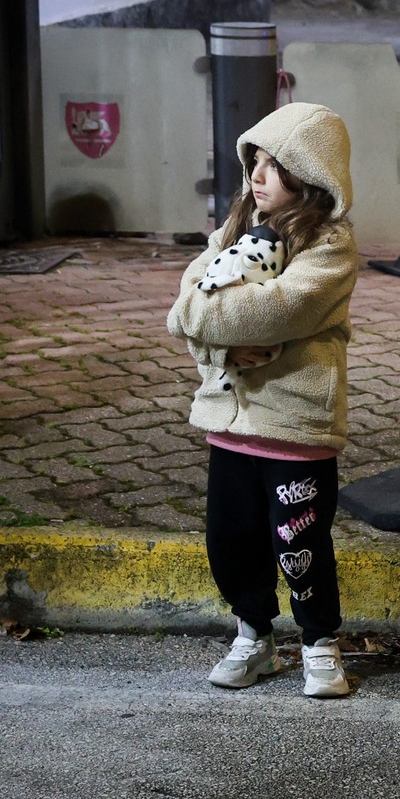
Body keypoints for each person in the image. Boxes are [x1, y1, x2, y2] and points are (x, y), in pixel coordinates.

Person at [167, 102, 359, 699]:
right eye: (256, 161)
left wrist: (198, 318)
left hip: (295, 429)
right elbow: (187, 306)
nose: (257, 175)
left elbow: (276, 308)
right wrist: (220, 350)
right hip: (230, 424)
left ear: (312, 176)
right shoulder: (234, 231)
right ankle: (254, 635)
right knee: (231, 539)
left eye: (276, 166)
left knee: (299, 541)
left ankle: (319, 641)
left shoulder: (329, 247)